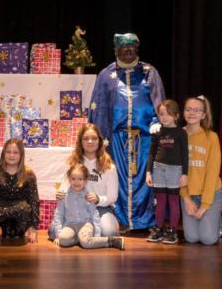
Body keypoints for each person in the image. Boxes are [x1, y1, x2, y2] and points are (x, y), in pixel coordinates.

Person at [88, 33, 165, 230]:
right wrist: (98, 137)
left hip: (145, 138)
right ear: (116, 51)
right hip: (116, 139)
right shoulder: (106, 74)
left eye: (132, 48)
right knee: (117, 180)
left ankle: (146, 221)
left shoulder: (149, 72)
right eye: (124, 49)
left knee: (145, 180)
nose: (128, 52)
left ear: (137, 50)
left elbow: (160, 102)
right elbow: (99, 106)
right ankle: (120, 220)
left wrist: (158, 120)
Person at [57, 123, 120, 237]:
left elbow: (112, 197)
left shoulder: (109, 166)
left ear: (100, 141)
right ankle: (82, 233)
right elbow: (64, 186)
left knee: (108, 233)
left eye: (94, 138)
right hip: (75, 207)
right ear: (80, 142)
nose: (90, 142)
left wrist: (97, 199)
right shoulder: (72, 163)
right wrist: (61, 193)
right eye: (86, 138)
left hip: (100, 208)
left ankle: (110, 223)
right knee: (53, 232)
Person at [49, 163, 125, 250]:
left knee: (86, 243)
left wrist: (97, 234)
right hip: (70, 224)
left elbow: (94, 215)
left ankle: (111, 241)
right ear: (69, 180)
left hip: (86, 224)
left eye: (80, 179)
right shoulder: (64, 195)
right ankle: (81, 238)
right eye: (73, 179)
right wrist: (58, 235)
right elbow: (58, 214)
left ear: (85, 181)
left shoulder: (88, 196)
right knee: (63, 240)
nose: (76, 182)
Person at [180, 96, 222, 245]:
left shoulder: (211, 137)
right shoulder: (178, 135)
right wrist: (186, 199)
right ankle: (205, 221)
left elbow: (212, 173)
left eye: (197, 110)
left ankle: (218, 219)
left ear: (203, 115)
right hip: (188, 195)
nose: (192, 113)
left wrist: (204, 205)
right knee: (191, 238)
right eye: (188, 109)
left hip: (210, 193)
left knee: (208, 239)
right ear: (183, 112)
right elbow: (176, 173)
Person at [146, 100, 188, 244]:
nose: (164, 117)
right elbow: (151, 153)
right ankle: (158, 228)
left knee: (173, 201)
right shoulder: (157, 132)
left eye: (168, 114)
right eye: (162, 114)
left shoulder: (181, 133)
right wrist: (148, 172)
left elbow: (185, 155)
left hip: (175, 171)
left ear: (176, 116)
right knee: (160, 202)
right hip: (158, 169)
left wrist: (184, 174)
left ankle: (172, 230)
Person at [0, 138, 39, 244]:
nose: (11, 155)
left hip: (21, 209)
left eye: (15, 152)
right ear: (3, 153)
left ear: (21, 155)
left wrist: (34, 226)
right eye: (8, 152)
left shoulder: (28, 174)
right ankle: (7, 228)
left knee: (24, 209)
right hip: (1, 208)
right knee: (6, 229)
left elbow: (34, 200)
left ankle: (18, 229)